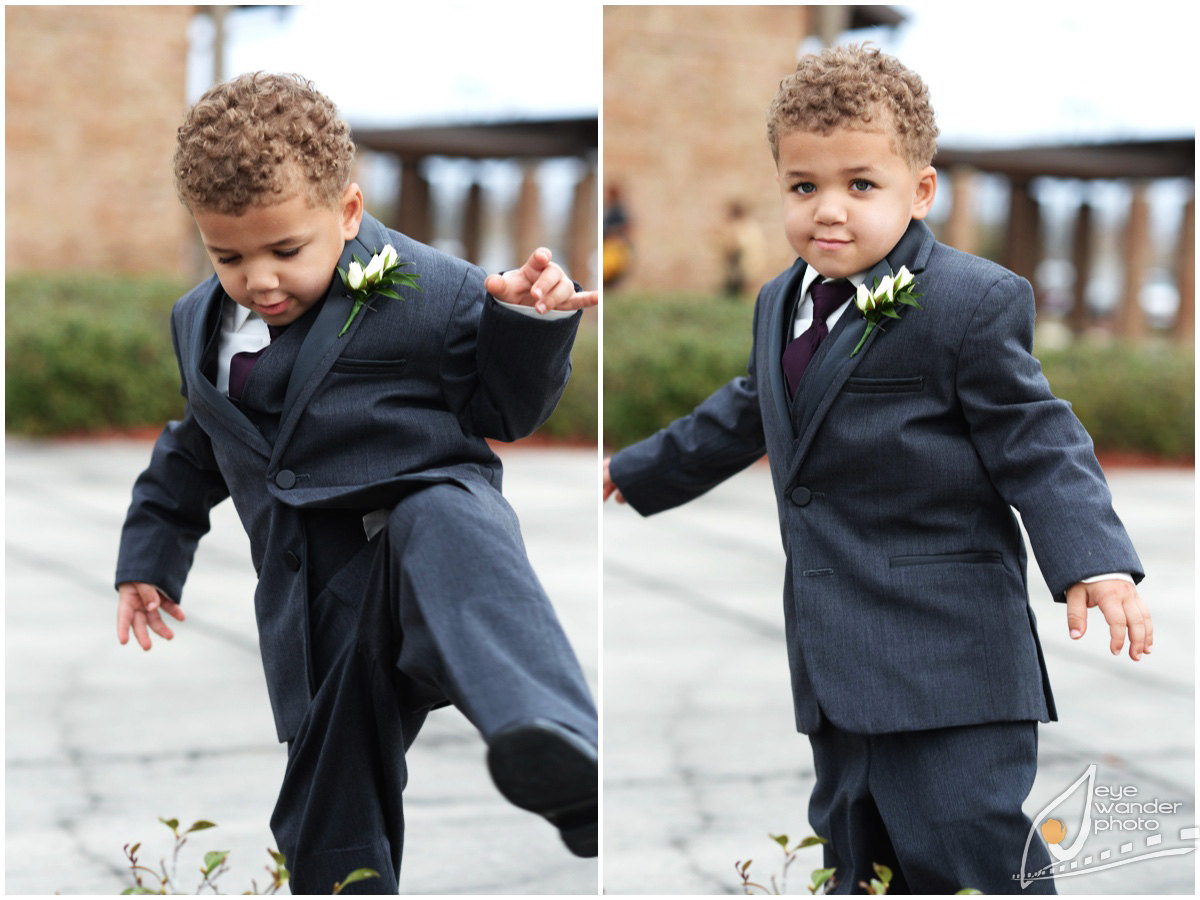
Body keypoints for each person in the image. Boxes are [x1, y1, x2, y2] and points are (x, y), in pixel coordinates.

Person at [603, 44, 1152, 894]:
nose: (829, 211)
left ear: (919, 191)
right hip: (834, 654)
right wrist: (638, 470)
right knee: (860, 856)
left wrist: (1094, 558)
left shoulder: (969, 301)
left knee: (967, 852)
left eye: (861, 185)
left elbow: (1037, 435)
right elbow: (754, 403)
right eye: (803, 186)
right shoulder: (779, 300)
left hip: (950, 658)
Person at [114, 72, 597, 894]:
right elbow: (198, 445)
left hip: (436, 565)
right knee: (328, 807)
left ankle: (557, 749)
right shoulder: (199, 324)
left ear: (345, 213)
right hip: (320, 613)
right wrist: (149, 556)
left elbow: (505, 410)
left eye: (285, 251)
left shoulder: (435, 290)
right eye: (228, 256)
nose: (259, 280)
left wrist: (529, 324)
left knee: (438, 510)